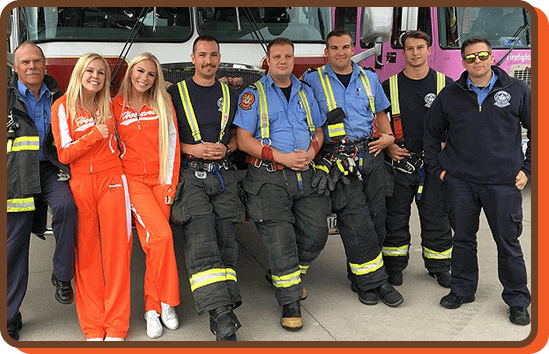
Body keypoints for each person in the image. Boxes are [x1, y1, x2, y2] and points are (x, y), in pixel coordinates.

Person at [424, 36, 531, 325]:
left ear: (491, 57)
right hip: (461, 183)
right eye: (470, 58)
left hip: (503, 184)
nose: (477, 62)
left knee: (508, 243)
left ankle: (517, 299)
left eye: (482, 55)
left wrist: (528, 169)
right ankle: (461, 289)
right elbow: (431, 134)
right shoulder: (450, 95)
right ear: (463, 62)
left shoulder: (518, 90)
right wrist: (439, 169)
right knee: (462, 240)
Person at [302, 29, 403, 307]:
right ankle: (373, 283)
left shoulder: (369, 78)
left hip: (370, 153)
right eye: (334, 48)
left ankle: (359, 276)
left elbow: (381, 114)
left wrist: (388, 138)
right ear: (326, 52)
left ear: (352, 48)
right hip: (337, 159)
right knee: (355, 220)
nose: (341, 53)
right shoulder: (311, 81)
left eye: (345, 47)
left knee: (377, 217)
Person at [234, 37, 330, 332]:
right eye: (277, 57)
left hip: (305, 173)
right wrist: (281, 156)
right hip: (268, 177)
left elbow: (318, 129)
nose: (283, 61)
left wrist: (312, 152)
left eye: (288, 56)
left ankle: (283, 273)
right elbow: (243, 140)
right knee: (281, 241)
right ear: (268, 61)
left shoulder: (305, 91)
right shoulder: (253, 94)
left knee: (316, 233)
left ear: (293, 59)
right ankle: (290, 301)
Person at [167, 35, 244, 341]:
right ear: (193, 58)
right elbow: (166, 137)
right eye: (202, 55)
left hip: (224, 174)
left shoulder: (230, 92)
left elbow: (240, 135)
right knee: (201, 239)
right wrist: (192, 149)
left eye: (213, 55)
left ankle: (225, 303)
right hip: (191, 175)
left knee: (226, 240)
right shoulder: (175, 93)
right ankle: (221, 314)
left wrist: (228, 149)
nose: (208, 61)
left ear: (219, 58)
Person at [51, 53, 133, 340]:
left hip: (112, 179)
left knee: (117, 254)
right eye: (90, 71)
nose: (96, 77)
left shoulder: (110, 106)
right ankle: (93, 325)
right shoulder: (62, 107)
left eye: (101, 73)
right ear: (79, 73)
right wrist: (95, 135)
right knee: (86, 255)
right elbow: (64, 153)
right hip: (81, 182)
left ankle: (117, 325)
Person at [7, 42, 78, 341]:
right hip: (16, 175)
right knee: (14, 247)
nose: (32, 66)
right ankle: (8, 316)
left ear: (45, 64)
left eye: (37, 61)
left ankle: (62, 276)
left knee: (66, 207)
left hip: (50, 169)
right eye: (25, 62)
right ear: (15, 67)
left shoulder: (60, 96)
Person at [112, 53, 181, 339]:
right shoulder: (114, 105)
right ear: (130, 72)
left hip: (160, 181)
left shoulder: (162, 102)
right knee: (162, 237)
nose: (145, 78)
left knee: (154, 244)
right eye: (140, 71)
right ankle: (168, 301)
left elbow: (173, 143)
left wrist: (170, 184)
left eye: (151, 74)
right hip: (133, 183)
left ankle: (152, 309)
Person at [380, 31, 453, 288]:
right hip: (399, 161)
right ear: (403, 53)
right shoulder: (388, 86)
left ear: (429, 49)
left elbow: (461, 122)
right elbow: (376, 123)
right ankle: (395, 266)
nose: (415, 53)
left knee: (436, 216)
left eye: (420, 48)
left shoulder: (447, 84)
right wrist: (389, 148)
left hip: (434, 165)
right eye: (409, 49)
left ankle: (439, 265)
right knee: (395, 216)